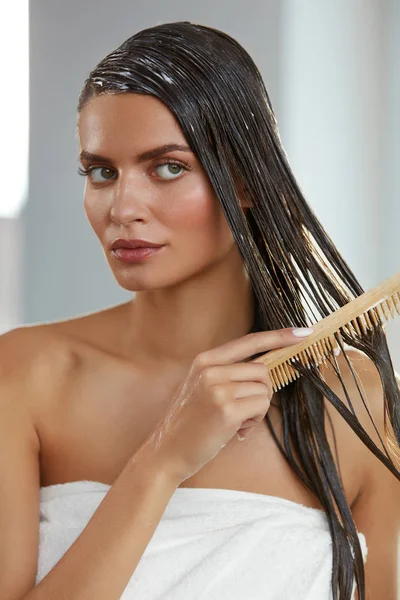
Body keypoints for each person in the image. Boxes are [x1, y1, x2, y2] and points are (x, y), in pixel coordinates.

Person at [0, 21, 399, 600]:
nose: (122, 206)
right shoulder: (27, 375)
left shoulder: (352, 401)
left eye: (167, 167)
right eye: (101, 172)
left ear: (244, 180)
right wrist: (162, 460)